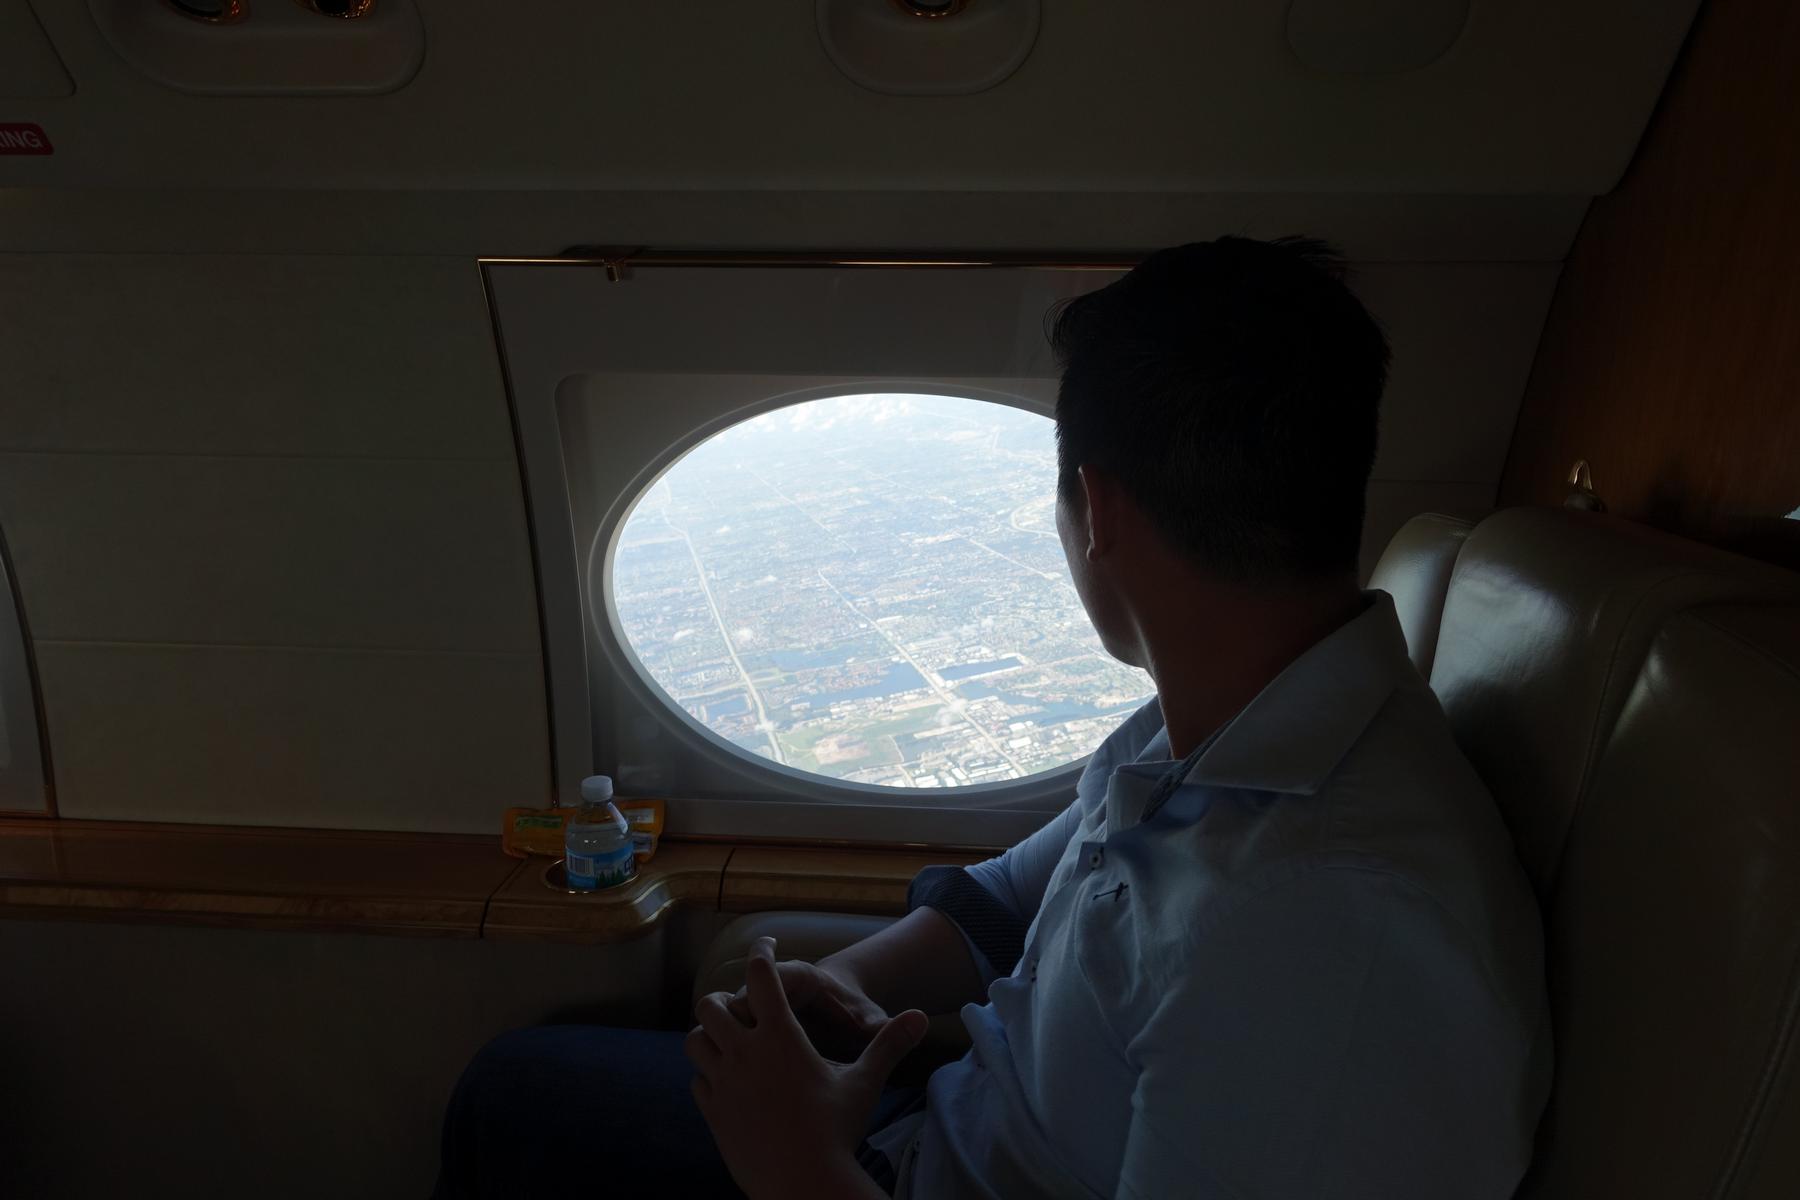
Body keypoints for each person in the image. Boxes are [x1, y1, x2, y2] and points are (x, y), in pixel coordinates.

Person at [436, 238, 1550, 1199]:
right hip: (926, 1132)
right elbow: (1008, 899)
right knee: (521, 1087)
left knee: (509, 1113)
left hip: (871, 1175)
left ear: (1095, 507)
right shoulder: (1240, 727)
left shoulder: (1332, 928)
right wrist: (860, 985)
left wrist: (801, 1171)